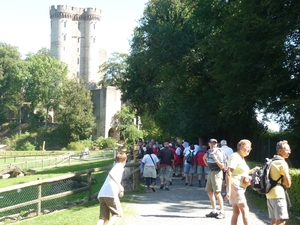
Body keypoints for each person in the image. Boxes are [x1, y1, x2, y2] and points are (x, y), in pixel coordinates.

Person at [225, 139, 259, 225]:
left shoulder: (241, 158)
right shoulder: (235, 156)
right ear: (240, 147)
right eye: (247, 147)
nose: (249, 149)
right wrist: (228, 191)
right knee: (245, 209)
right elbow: (229, 173)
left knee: (236, 212)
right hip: (236, 186)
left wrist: (252, 170)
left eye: (250, 148)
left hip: (239, 187)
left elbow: (241, 172)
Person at [96, 151, 127, 225]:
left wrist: (119, 190)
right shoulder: (119, 166)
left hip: (102, 194)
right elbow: (111, 174)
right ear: (125, 160)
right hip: (110, 194)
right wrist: (120, 186)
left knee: (103, 218)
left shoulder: (116, 165)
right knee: (118, 214)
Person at [266, 140, 292, 225]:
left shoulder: (271, 161)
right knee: (281, 220)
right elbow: (288, 184)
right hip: (278, 195)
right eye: (287, 149)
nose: (289, 152)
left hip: (269, 194)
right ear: (280, 150)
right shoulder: (282, 163)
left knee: (274, 220)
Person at [203, 138, 226, 219]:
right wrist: (207, 164)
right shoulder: (208, 151)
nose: (213, 144)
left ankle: (222, 211)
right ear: (208, 144)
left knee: (217, 193)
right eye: (212, 143)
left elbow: (222, 166)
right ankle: (214, 211)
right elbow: (204, 158)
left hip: (217, 172)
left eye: (215, 143)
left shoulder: (218, 152)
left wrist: (215, 159)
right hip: (211, 172)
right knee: (209, 192)